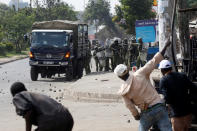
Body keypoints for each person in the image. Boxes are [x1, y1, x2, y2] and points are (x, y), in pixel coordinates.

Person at [114, 38, 172, 131]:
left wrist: (136, 116)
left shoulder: (123, 90)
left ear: (119, 77)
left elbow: (130, 106)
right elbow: (154, 60)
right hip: (159, 107)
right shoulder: (140, 73)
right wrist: (165, 45)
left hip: (146, 113)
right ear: (128, 70)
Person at [159, 60, 197, 131]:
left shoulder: (163, 80)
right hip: (187, 113)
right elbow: (194, 88)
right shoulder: (182, 75)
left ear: (162, 70)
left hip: (176, 115)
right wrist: (189, 98)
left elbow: (167, 98)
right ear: (171, 68)